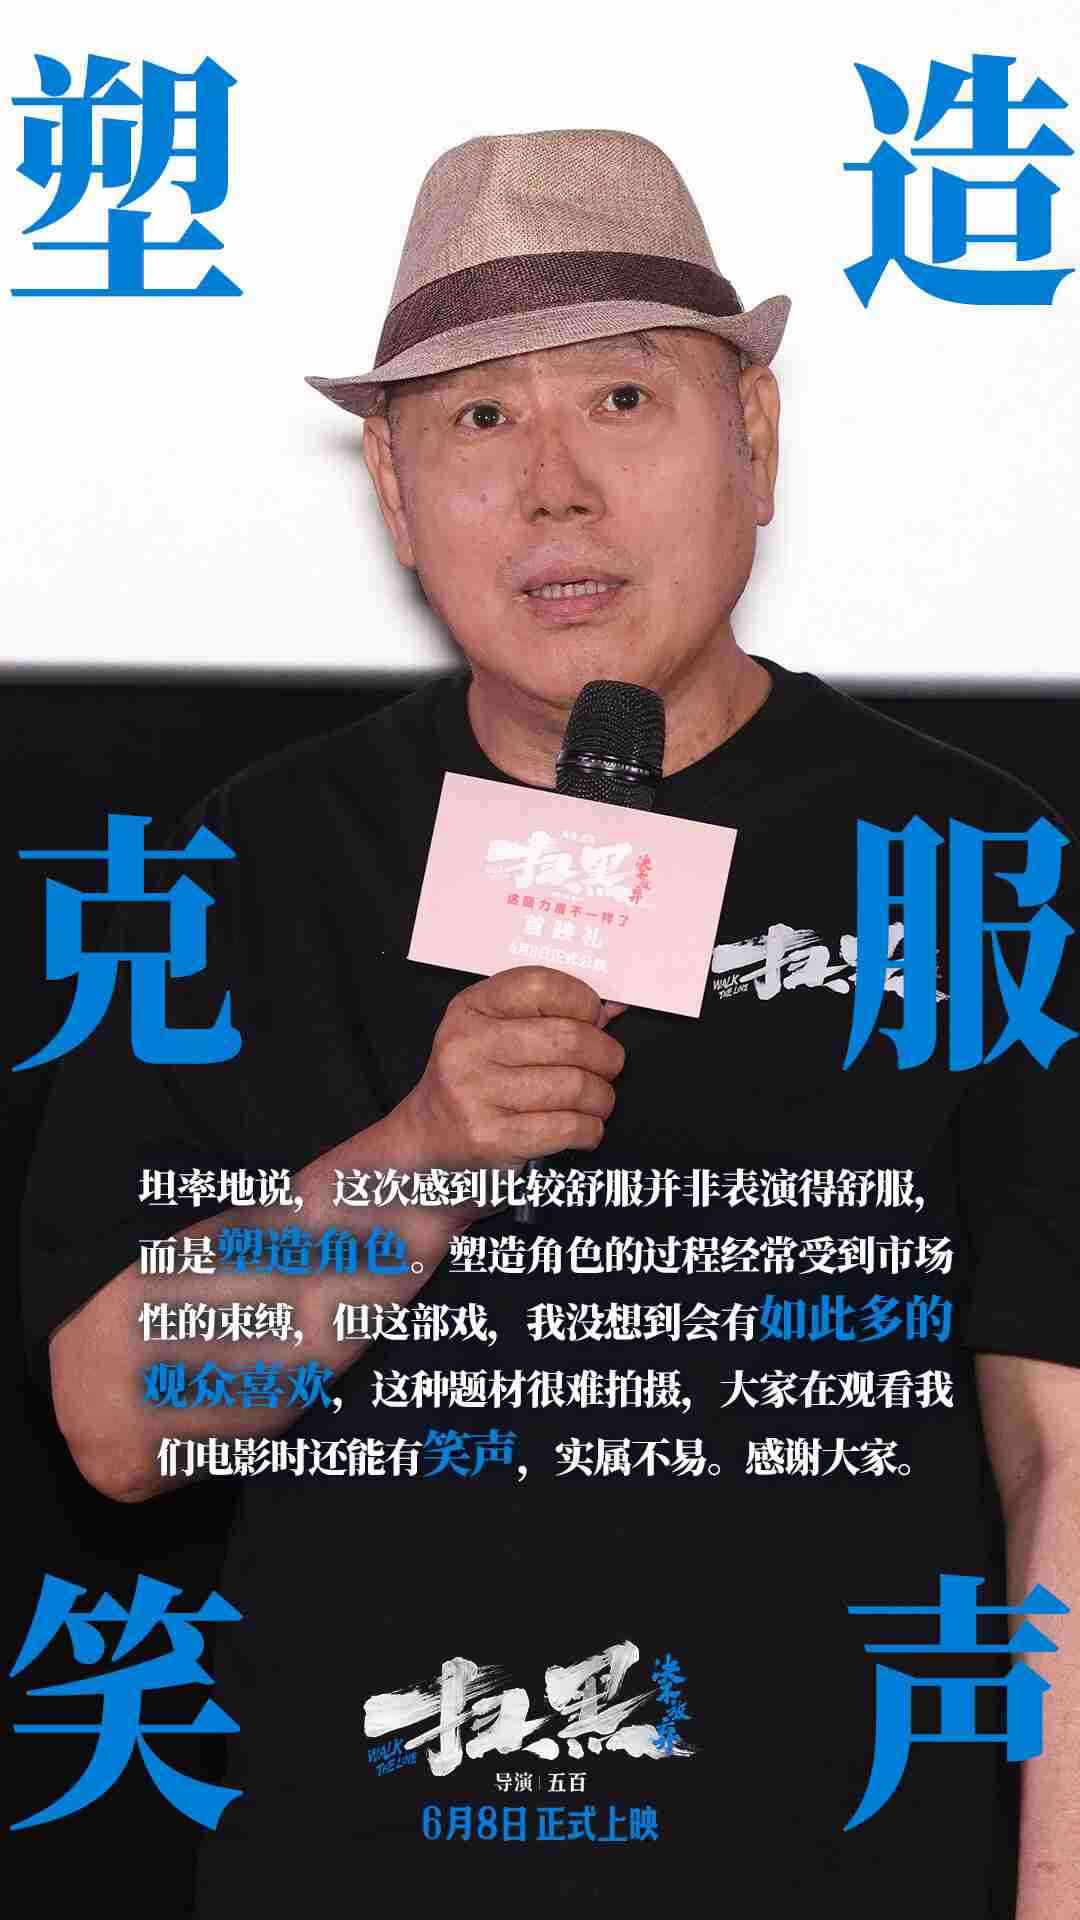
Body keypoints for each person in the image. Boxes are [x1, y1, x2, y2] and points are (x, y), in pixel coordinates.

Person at [21, 130, 1079, 1917]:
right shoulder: (246, 867)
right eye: (481, 420)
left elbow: (1061, 1459)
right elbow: (120, 1423)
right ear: (390, 483)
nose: (556, 490)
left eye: (623, 399)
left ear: (754, 438)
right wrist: (420, 1157)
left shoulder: (976, 872)